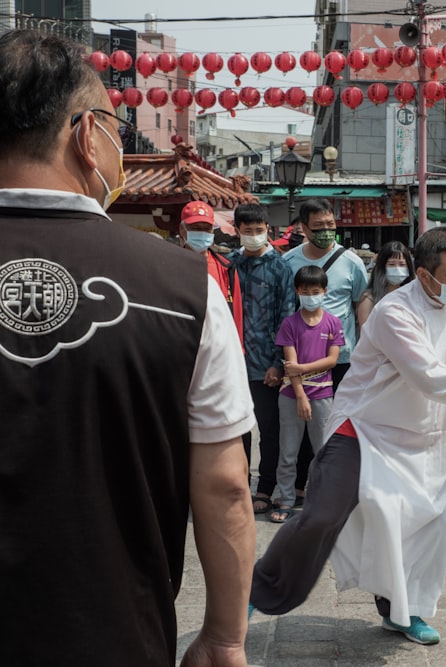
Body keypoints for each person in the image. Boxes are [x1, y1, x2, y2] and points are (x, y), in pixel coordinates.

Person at [0, 30, 255, 665]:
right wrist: (224, 637)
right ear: (88, 135)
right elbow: (224, 484)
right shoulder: (185, 287)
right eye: (116, 129)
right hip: (114, 631)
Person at [250, 227, 446, 645]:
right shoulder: (395, 312)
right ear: (424, 276)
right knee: (322, 514)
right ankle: (260, 587)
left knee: (418, 529)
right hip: (366, 430)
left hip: (425, 436)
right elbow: (428, 375)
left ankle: (404, 612)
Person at [281, 198, 368, 497]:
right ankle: (300, 486)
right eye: (318, 227)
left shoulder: (353, 263)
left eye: (331, 225)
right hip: (301, 359)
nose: (327, 231)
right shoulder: (289, 262)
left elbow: (360, 305)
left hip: (340, 359)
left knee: (335, 424)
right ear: (303, 228)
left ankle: (333, 485)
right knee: (301, 427)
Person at [230, 202, 297, 515]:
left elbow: (288, 315)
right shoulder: (229, 264)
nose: (254, 236)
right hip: (231, 362)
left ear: (267, 231)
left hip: (266, 365)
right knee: (235, 427)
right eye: (248, 231)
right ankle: (239, 483)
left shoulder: (280, 267)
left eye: (259, 231)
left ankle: (266, 487)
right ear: (237, 231)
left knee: (269, 429)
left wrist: (278, 362)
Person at [272, 266, 344, 523]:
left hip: (323, 395)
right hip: (292, 395)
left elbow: (332, 360)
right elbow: (289, 364)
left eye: (316, 291)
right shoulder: (289, 324)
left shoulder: (333, 322)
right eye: (305, 292)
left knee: (323, 451)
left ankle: (323, 501)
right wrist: (301, 395)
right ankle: (287, 500)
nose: (311, 296)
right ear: (297, 292)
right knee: (288, 452)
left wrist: (303, 369)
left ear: (325, 291)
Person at [179, 199, 244, 349]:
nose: (201, 233)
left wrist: (237, 346)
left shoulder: (226, 267)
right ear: (182, 230)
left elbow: (236, 310)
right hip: (181, 342)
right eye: (196, 228)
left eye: (206, 229)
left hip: (216, 344)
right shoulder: (169, 265)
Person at [356, 241, 414, 327]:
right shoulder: (369, 299)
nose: (397, 268)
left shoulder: (413, 296)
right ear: (382, 267)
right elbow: (366, 335)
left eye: (402, 264)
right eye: (391, 264)